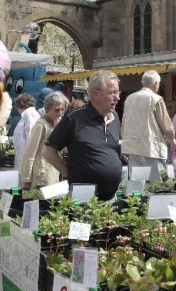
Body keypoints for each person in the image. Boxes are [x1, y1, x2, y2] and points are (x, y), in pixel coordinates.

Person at [43, 70, 123, 200]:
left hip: (111, 199)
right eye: (112, 92)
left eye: (118, 92)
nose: (118, 97)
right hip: (83, 201)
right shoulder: (73, 119)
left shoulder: (114, 118)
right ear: (95, 94)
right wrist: (69, 173)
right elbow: (48, 152)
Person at [121, 70, 176, 182]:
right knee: (159, 184)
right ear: (156, 83)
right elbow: (167, 126)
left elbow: (124, 124)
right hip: (152, 149)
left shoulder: (129, 99)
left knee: (137, 186)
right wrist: (172, 140)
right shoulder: (156, 99)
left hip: (133, 149)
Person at [20, 92, 69, 188]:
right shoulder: (41, 125)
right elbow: (29, 153)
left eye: (63, 109)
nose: (60, 113)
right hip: (42, 177)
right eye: (57, 110)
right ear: (48, 109)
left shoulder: (58, 125)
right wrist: (26, 179)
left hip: (55, 176)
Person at [12, 93, 42, 172]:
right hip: (24, 160)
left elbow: (31, 139)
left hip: (27, 162)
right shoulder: (29, 115)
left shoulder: (29, 116)